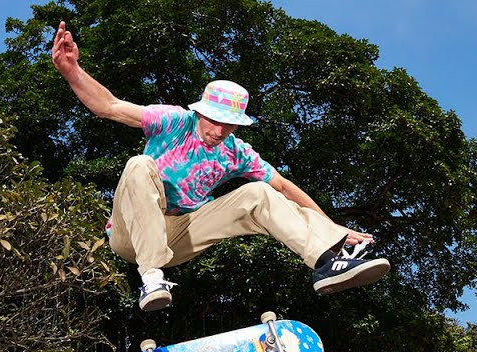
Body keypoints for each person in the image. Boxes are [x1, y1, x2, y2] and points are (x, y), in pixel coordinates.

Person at [50, 21, 391, 312]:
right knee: (139, 165)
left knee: (259, 193)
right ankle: (151, 279)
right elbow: (110, 106)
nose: (218, 132)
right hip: (131, 235)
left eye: (228, 126)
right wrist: (72, 71)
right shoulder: (173, 121)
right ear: (200, 111)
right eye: (213, 121)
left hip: (181, 235)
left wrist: (334, 227)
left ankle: (327, 263)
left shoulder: (236, 152)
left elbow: (284, 188)